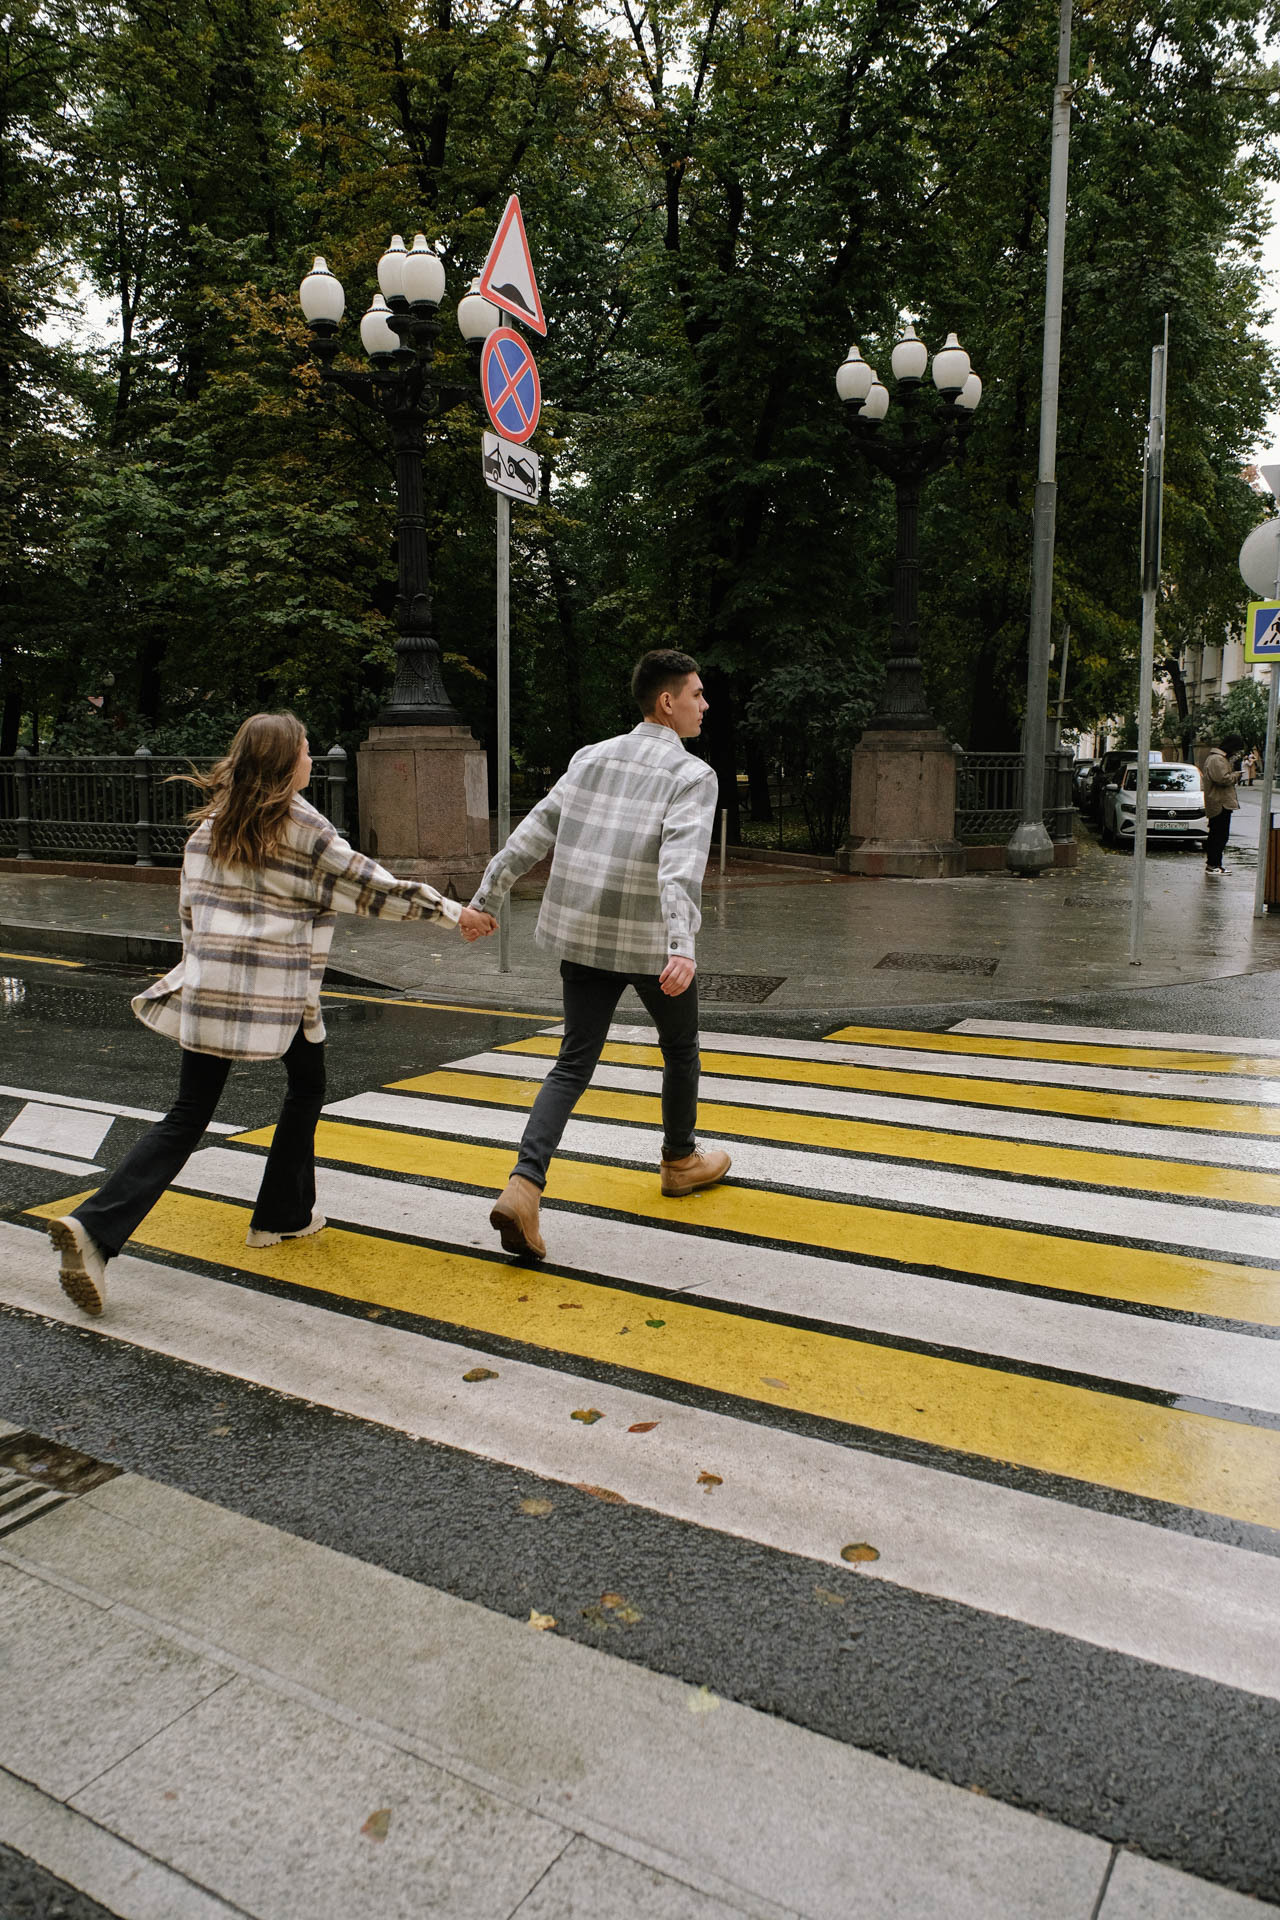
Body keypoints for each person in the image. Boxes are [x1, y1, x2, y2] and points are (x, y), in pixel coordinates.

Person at [48, 712, 496, 1314]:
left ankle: (96, 1228)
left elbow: (189, 914)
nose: (312, 757)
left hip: (211, 988)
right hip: (275, 999)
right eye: (306, 749)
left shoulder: (209, 827)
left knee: (187, 1115)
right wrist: (452, 912)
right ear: (287, 764)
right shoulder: (303, 829)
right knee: (306, 1087)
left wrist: (196, 973)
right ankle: (280, 1216)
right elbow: (375, 887)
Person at [470, 649, 728, 1260]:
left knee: (573, 1061)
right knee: (681, 1048)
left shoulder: (591, 757)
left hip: (583, 935)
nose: (704, 704)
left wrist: (488, 896)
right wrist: (681, 945)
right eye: (696, 693)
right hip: (648, 944)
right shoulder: (693, 775)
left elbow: (533, 829)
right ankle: (679, 1159)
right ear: (667, 702)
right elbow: (680, 867)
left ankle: (524, 1186)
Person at [1202, 731, 1243, 875]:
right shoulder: (1217, 760)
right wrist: (1236, 775)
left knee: (1219, 835)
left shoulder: (1218, 758)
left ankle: (1214, 864)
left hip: (1220, 802)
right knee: (1218, 835)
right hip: (1220, 803)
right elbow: (1222, 779)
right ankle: (1213, 864)